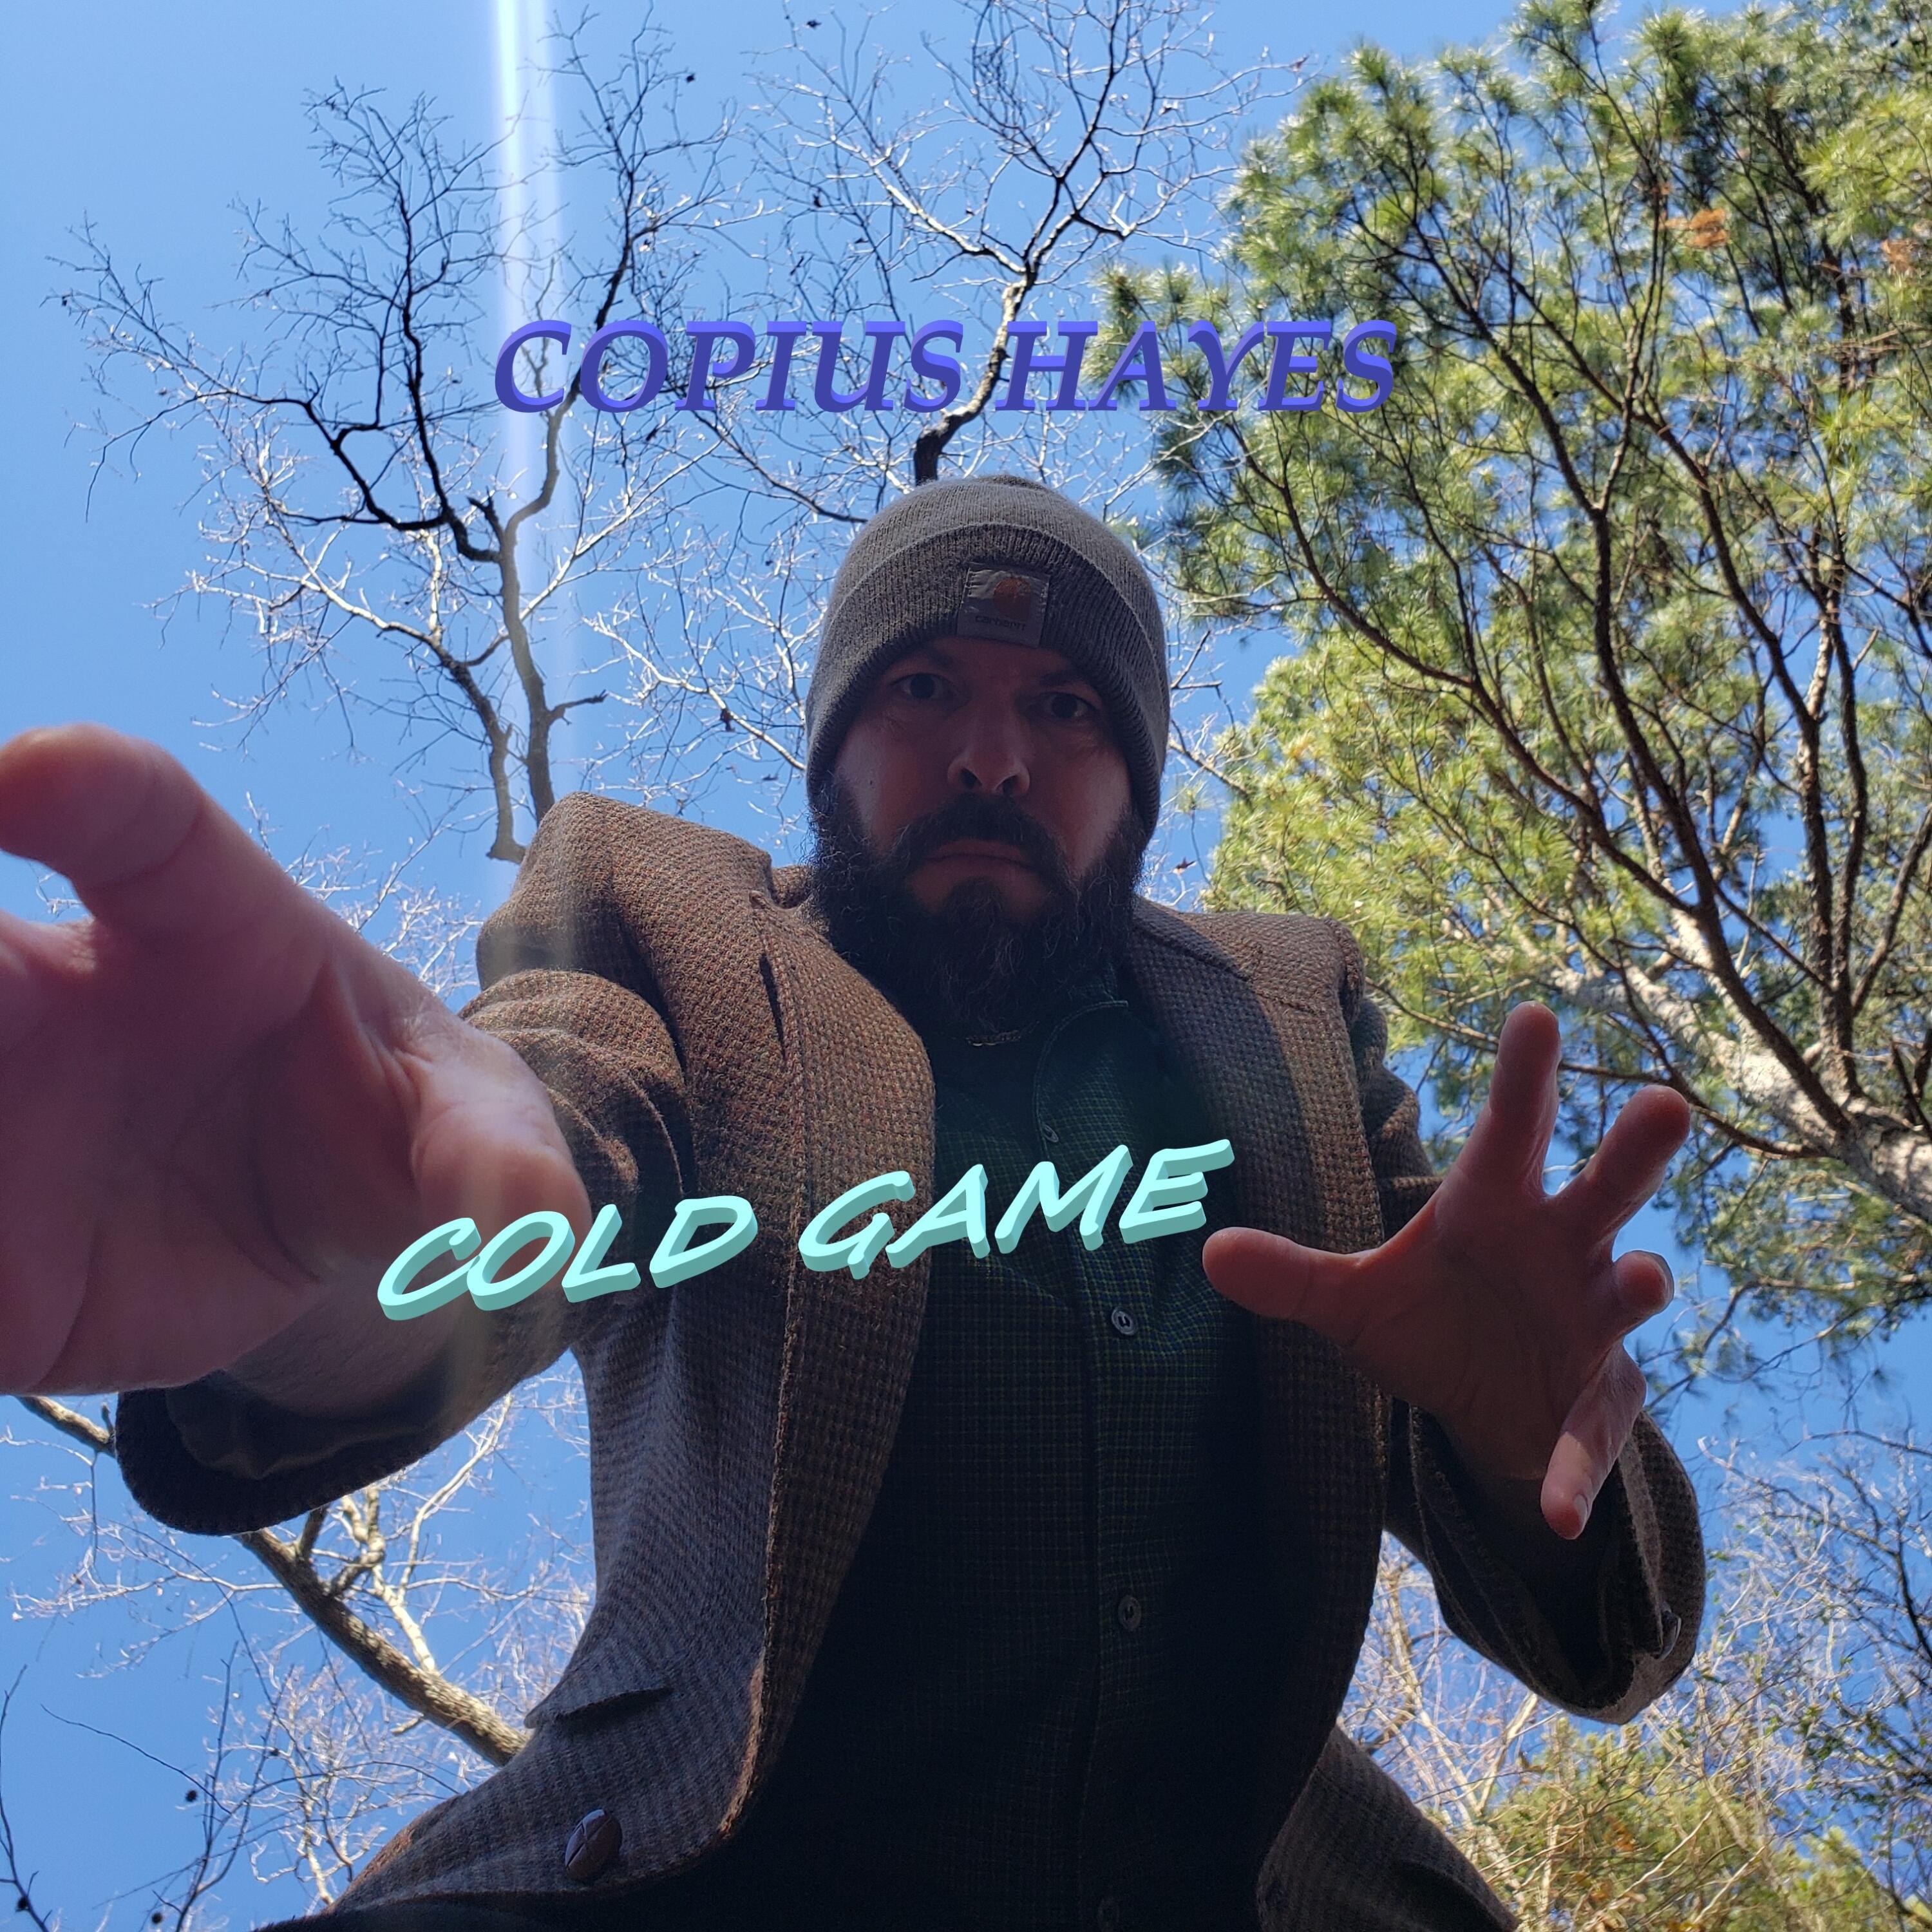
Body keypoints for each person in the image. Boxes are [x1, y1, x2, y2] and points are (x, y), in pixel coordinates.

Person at [0, 473, 1704, 1931]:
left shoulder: (1289, 1010)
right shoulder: (660, 918)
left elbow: (1608, 1629)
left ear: (1138, 780)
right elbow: (555, 1149)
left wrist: (1523, 1434)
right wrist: (332, 1233)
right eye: (924, 689)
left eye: (1068, 709)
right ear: (830, 742)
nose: (992, 759)